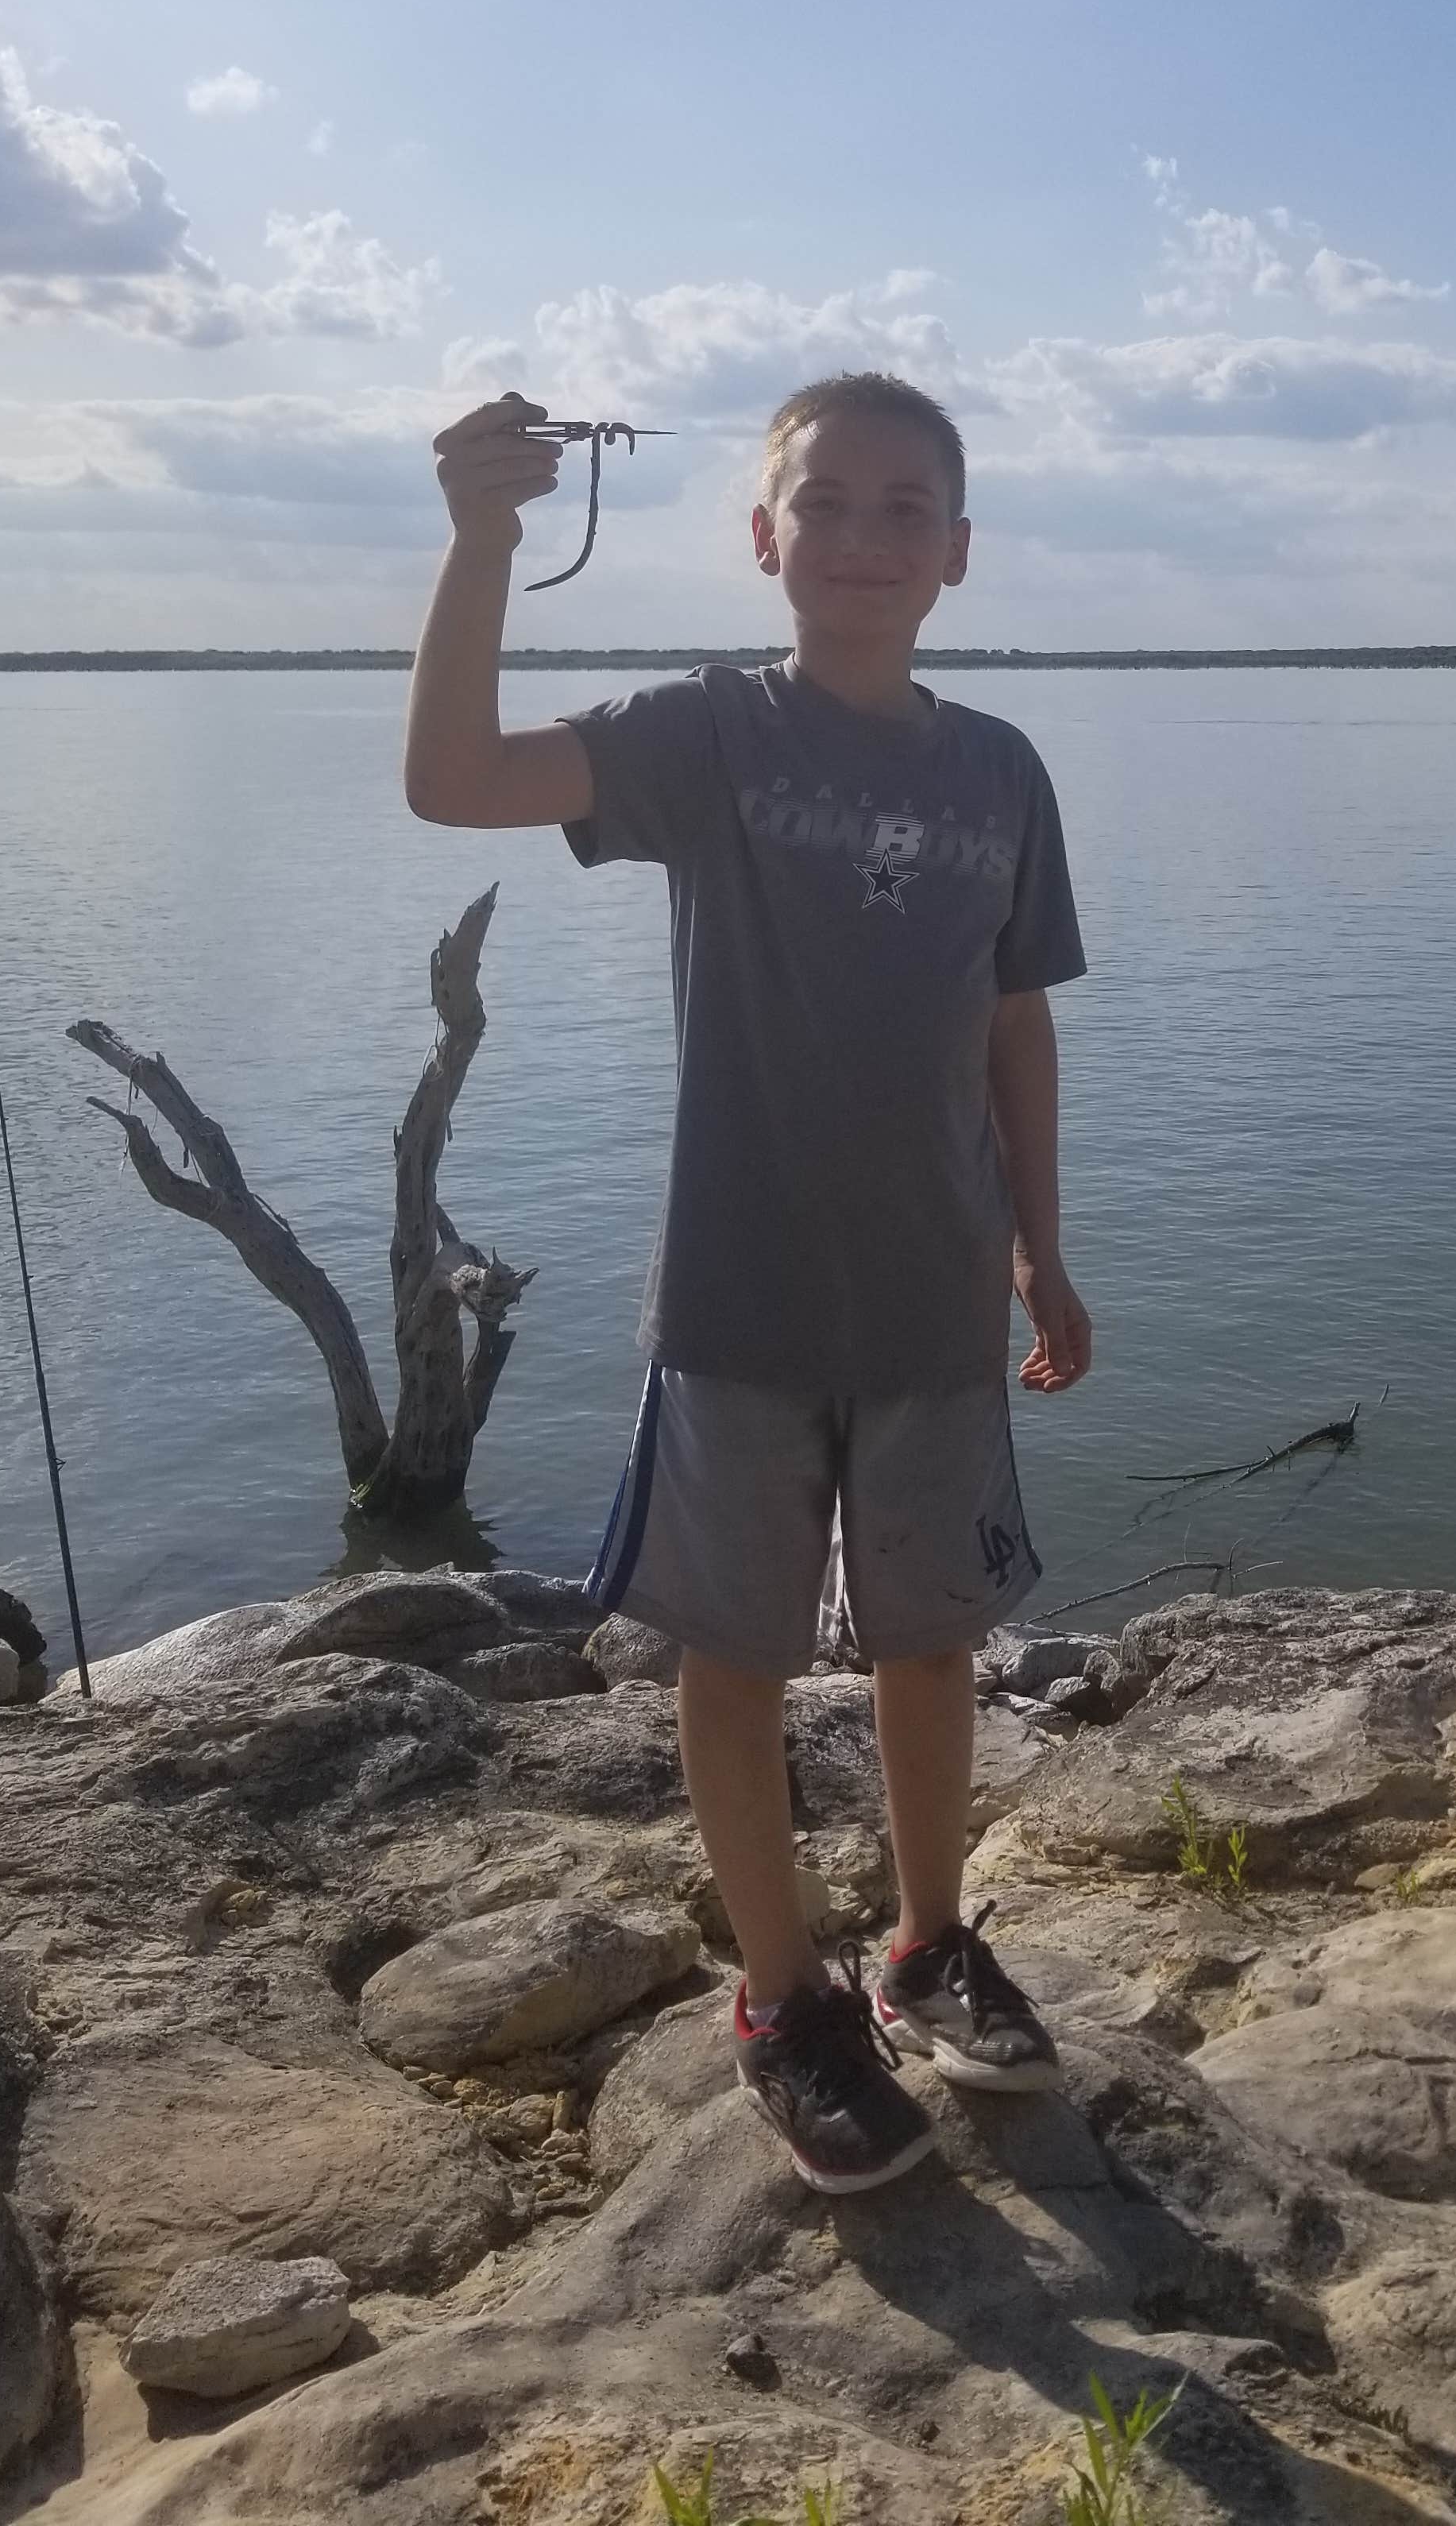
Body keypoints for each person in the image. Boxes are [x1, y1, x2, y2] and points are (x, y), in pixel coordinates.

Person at [404, 369, 1092, 2194]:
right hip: (738, 1302)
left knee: (933, 1638)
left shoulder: (1003, 771)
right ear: (765, 535)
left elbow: (1013, 1021)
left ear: (957, 553)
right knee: (738, 1659)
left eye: (905, 508)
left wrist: (1045, 1247)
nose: (865, 537)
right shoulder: (710, 738)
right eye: (830, 503)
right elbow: (455, 780)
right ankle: (786, 2001)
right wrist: (485, 538)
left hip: (942, 1298)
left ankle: (932, 1942)